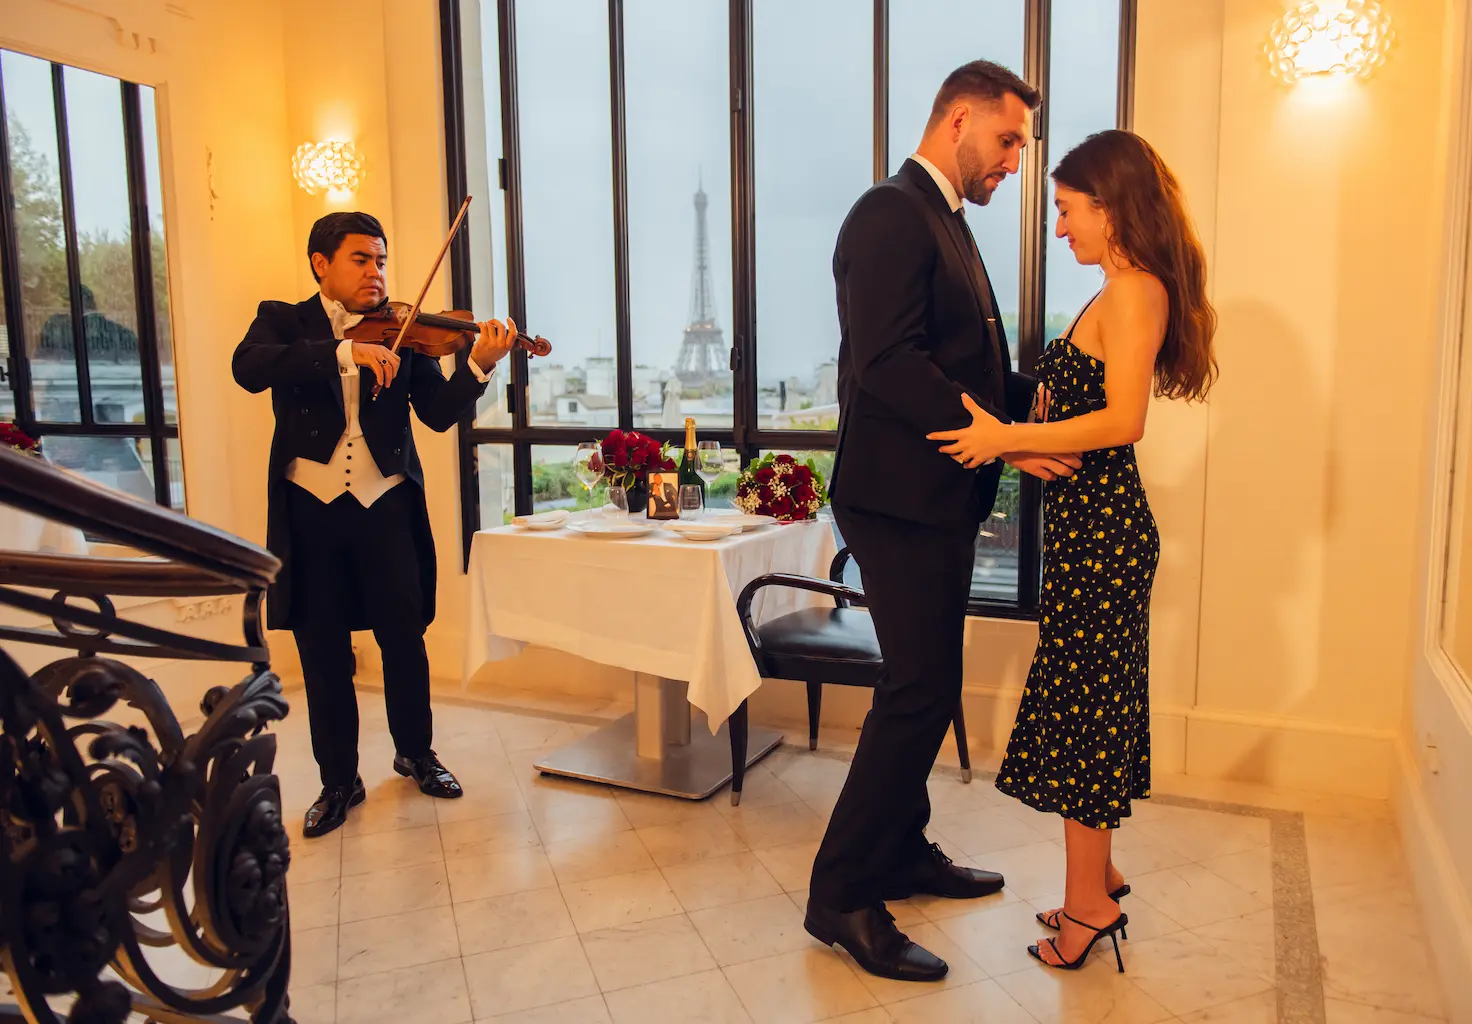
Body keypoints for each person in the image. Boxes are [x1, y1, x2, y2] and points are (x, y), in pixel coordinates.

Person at [804, 60, 1084, 983]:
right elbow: (888, 361)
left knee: (928, 685)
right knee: (918, 692)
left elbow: (965, 365)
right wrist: (1004, 439)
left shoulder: (946, 220)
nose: (1014, 163)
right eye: (1007, 141)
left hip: (935, 497)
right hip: (896, 498)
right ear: (957, 119)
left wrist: (1040, 403)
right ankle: (842, 893)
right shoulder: (890, 212)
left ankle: (900, 851)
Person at [925, 129, 1218, 971]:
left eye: (1066, 209)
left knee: (1085, 711)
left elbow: (1123, 422)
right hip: (1091, 530)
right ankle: (1102, 873)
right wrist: (1022, 424)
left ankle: (1087, 906)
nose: (1059, 227)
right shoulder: (1117, 291)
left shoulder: (1134, 291)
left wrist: (1006, 437)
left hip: (1104, 534)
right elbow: (1079, 404)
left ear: (1110, 206)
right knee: (1094, 703)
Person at [233, 211, 516, 838]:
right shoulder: (284, 321)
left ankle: (416, 753)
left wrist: (477, 367)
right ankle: (339, 781)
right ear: (321, 264)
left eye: (381, 260)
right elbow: (248, 367)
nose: (376, 273)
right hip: (310, 509)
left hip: (386, 506)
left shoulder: (406, 329)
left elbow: (436, 415)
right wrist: (344, 351)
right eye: (361, 259)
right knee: (323, 651)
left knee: (404, 640)